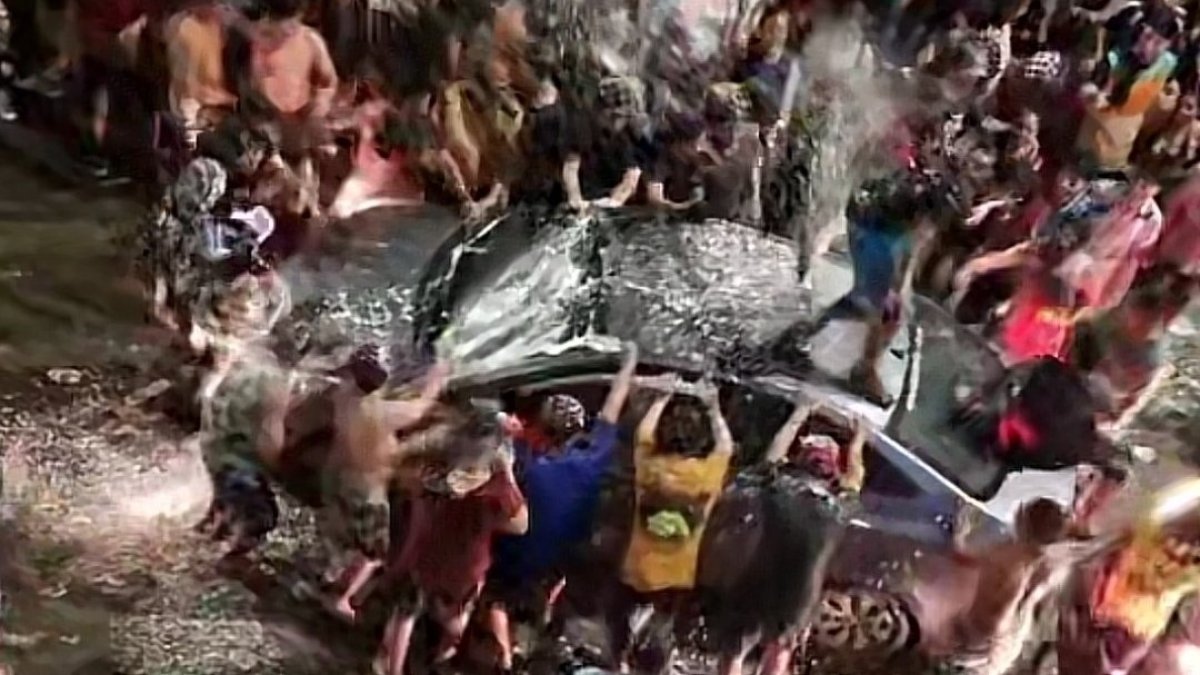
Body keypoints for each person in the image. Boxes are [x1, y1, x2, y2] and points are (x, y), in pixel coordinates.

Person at [485, 343, 640, 672]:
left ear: (541, 427)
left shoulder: (525, 463)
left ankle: (506, 657)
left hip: (515, 554)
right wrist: (629, 363)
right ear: (577, 433)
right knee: (562, 561)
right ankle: (541, 620)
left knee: (498, 596)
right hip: (560, 557)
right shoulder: (592, 461)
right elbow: (612, 409)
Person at [376, 408, 528, 675]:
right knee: (456, 617)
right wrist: (507, 479)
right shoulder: (498, 488)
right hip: (465, 564)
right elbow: (520, 525)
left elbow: (407, 484)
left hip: (426, 549)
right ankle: (441, 659)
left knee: (406, 611)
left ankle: (390, 667)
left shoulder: (436, 464)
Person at [321, 346, 450, 622]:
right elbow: (420, 408)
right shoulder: (381, 412)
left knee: (348, 540)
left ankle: (333, 580)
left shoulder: (343, 399)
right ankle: (343, 598)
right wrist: (437, 377)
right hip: (368, 490)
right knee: (375, 552)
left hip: (342, 478)